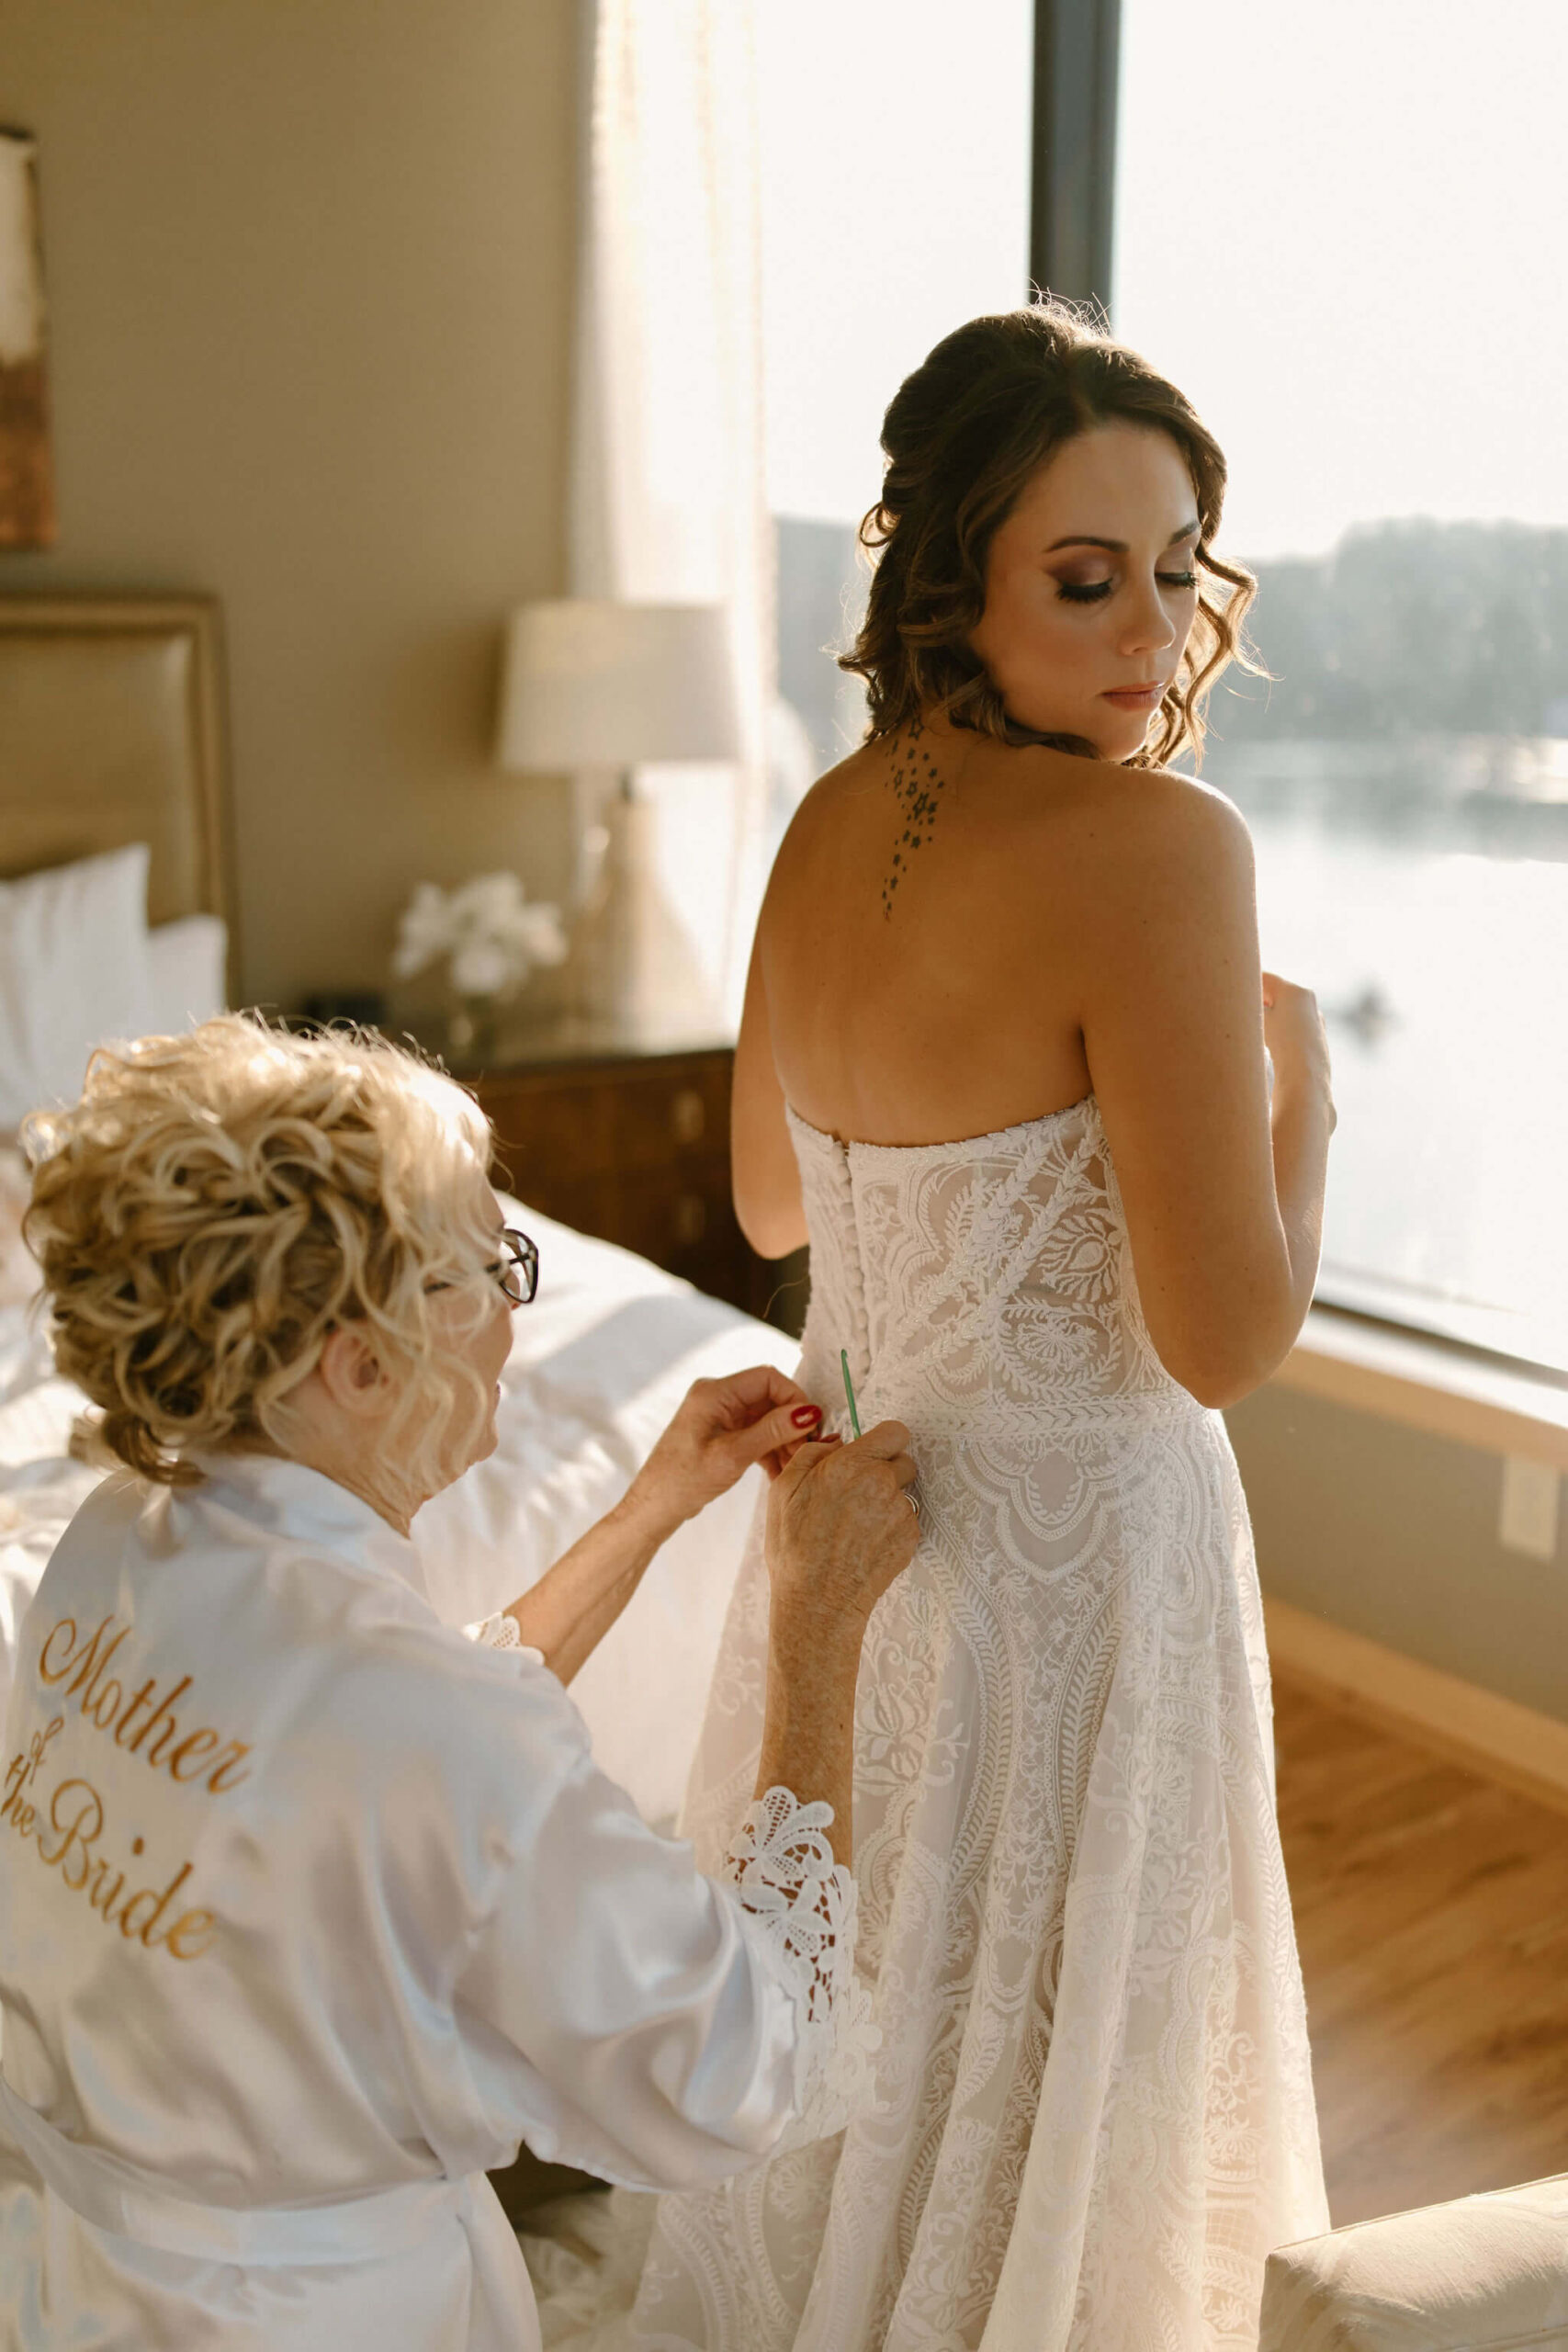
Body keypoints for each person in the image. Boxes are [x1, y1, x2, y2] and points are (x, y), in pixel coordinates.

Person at [619, 303, 1336, 2348]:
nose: (1146, 630)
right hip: (1080, 1572)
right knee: (1045, 2054)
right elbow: (1222, 1338)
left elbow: (772, 1202)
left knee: (864, 2021)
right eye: (1082, 576)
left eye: (1176, 568)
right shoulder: (1161, 848)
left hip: (860, 1543)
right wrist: (1310, 1116)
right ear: (954, 574)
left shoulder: (827, 815)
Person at [0, 1016, 920, 2352]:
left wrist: (646, 1515)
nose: (510, 1321)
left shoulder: (111, 1542)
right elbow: (742, 2067)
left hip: (70, 2288)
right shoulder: (422, 1731)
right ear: (359, 1364)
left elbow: (383, 1771)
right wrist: (820, 1621)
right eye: (489, 1272)